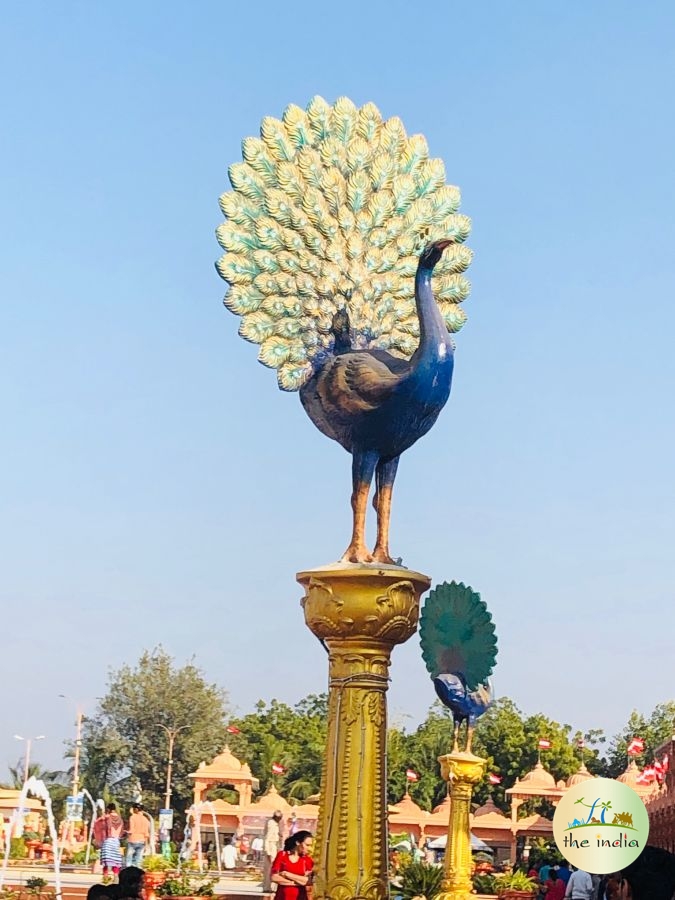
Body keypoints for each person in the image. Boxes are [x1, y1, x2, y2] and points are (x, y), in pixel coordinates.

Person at [271, 831, 314, 900]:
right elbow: (274, 877)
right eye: (307, 845)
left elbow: (308, 881)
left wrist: (287, 874)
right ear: (298, 843)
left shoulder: (307, 860)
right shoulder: (282, 855)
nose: (309, 848)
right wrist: (297, 883)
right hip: (282, 897)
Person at [100, 803, 124, 877]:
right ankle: (116, 877)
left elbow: (102, 828)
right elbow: (121, 831)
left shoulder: (106, 817)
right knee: (116, 860)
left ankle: (105, 878)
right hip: (116, 841)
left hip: (108, 841)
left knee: (106, 861)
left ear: (108, 809)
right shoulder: (120, 819)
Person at [262, 810, 284, 892]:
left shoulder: (275, 824)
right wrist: (267, 851)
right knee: (271, 868)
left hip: (274, 846)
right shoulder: (271, 823)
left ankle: (269, 887)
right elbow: (267, 838)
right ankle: (268, 887)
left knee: (271, 867)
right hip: (271, 847)